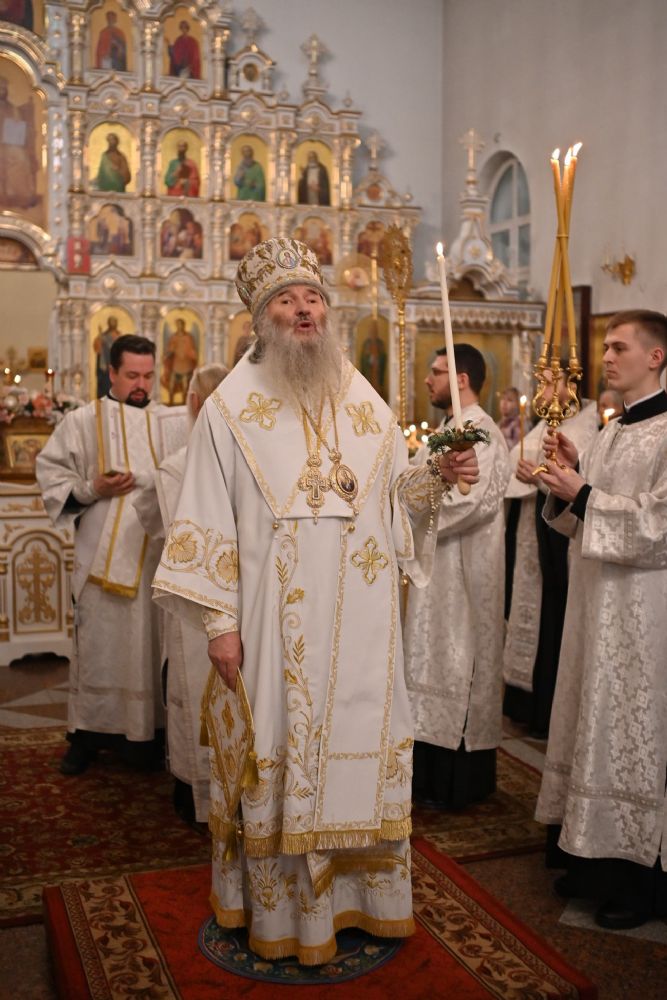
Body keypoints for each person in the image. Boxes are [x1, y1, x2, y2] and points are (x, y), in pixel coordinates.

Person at [152, 237, 479, 964]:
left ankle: (361, 901)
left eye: (313, 298)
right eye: (285, 299)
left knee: (360, 749)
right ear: (260, 318)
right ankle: (281, 916)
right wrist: (220, 623)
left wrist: (438, 475)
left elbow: (397, 498)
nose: (303, 309)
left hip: (362, 622)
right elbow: (205, 519)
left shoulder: (362, 398)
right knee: (277, 751)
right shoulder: (229, 410)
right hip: (273, 626)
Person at [535, 309, 667, 930]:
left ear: (656, 357)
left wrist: (583, 492)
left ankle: (638, 882)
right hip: (597, 608)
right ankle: (591, 861)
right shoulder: (614, 431)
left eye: (619, 347)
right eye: (606, 348)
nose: (606, 358)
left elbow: (659, 525)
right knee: (594, 721)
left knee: (632, 730)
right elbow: (577, 520)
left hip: (643, 614)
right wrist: (570, 477)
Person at [36, 335, 166, 776]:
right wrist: (94, 488)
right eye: (132, 375)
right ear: (111, 372)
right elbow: (51, 476)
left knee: (149, 647)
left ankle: (149, 738)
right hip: (99, 560)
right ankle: (87, 737)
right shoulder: (81, 422)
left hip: (155, 560)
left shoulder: (170, 423)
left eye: (148, 376)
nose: (141, 385)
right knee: (99, 647)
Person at [404, 345, 510, 809]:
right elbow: (414, 482)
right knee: (429, 661)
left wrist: (406, 512)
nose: (428, 380)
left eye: (437, 371)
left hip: (464, 578)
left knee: (459, 663)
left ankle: (457, 783)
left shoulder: (480, 435)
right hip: (435, 573)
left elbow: (467, 503)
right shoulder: (447, 432)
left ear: (462, 379)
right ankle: (427, 776)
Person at [134, 363, 229, 825]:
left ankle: (194, 792)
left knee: (191, 691)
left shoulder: (175, 467)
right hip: (241, 599)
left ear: (193, 402)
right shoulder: (251, 458)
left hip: (190, 597)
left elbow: (151, 519)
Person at [503, 370, 598, 736]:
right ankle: (524, 706)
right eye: (539, 383)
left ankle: (545, 711)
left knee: (553, 617)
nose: (540, 391)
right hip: (531, 531)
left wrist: (539, 478)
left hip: (559, 542)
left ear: (569, 386)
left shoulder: (585, 427)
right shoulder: (542, 424)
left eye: (548, 383)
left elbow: (580, 483)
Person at [0, 74, 38, 209]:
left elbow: (18, 128)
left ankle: (20, 197)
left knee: (21, 158)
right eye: (0, 88)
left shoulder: (13, 108)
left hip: (9, 145)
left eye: (4, 88)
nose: (2, 91)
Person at [161, 318, 198, 404]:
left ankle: (184, 403)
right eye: (177, 324)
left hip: (186, 364)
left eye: (180, 324)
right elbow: (170, 349)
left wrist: (193, 356)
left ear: (183, 325)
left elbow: (191, 350)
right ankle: (171, 402)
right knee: (171, 384)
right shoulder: (173, 337)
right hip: (175, 364)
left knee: (185, 385)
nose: (179, 326)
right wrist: (167, 354)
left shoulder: (188, 337)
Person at [93, 314, 121, 398]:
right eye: (111, 322)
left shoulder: (119, 336)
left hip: (116, 365)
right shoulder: (103, 336)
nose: (113, 323)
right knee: (105, 385)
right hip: (105, 367)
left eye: (114, 322)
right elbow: (97, 349)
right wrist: (100, 339)